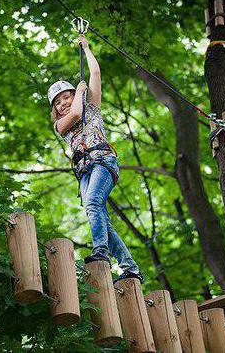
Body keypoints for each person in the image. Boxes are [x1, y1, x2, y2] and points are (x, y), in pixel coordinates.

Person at [47, 35, 143, 283]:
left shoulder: (92, 107)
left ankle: (101, 252)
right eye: (58, 103)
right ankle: (130, 266)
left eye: (65, 97)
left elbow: (96, 74)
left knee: (92, 204)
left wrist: (86, 49)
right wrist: (78, 91)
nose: (63, 104)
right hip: (85, 171)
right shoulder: (61, 125)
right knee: (98, 215)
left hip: (102, 161)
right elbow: (77, 113)